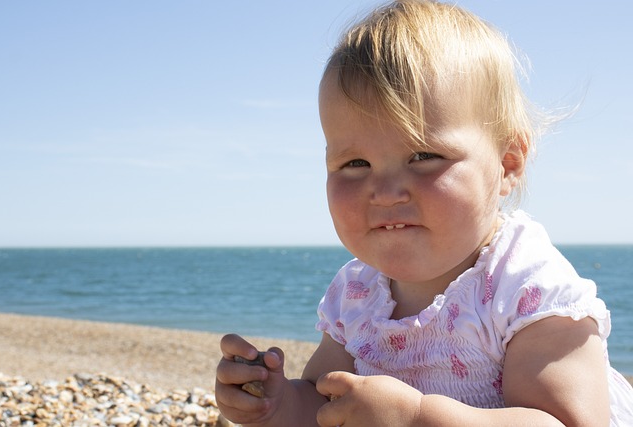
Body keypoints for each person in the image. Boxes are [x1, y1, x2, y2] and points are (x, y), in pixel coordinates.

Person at [215, 1, 633, 425]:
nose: (385, 192)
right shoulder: (357, 295)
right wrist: (278, 402)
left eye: (423, 155)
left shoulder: (526, 287)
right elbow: (329, 405)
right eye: (355, 164)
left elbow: (563, 422)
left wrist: (418, 417)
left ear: (507, 163)